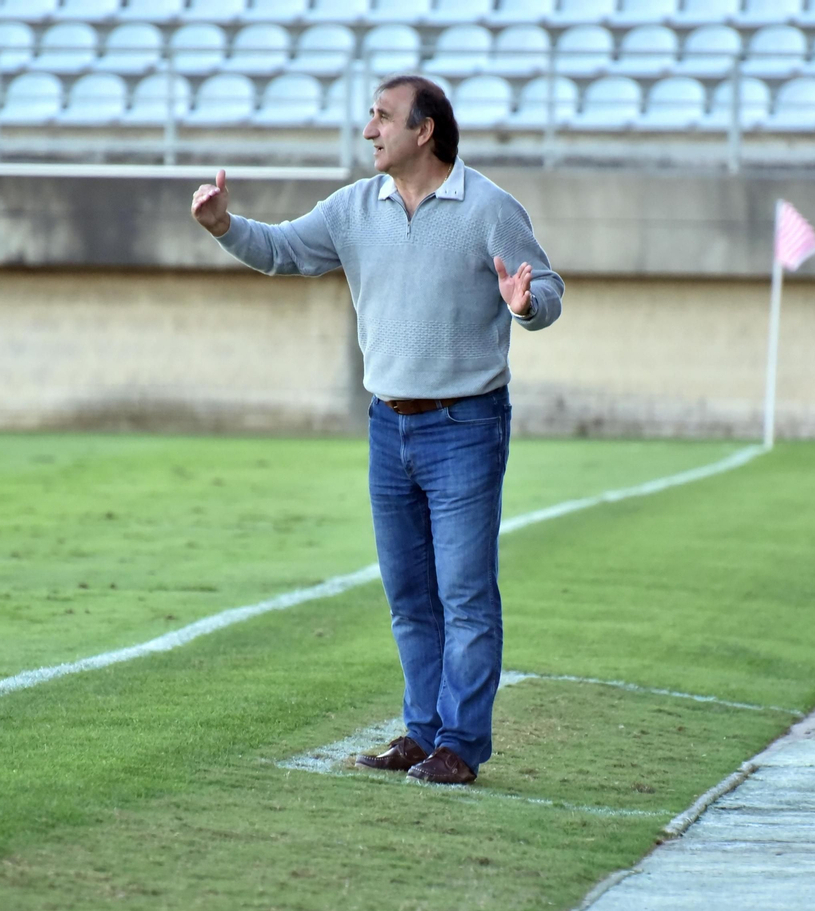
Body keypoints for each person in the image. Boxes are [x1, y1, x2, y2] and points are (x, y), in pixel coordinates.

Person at [191, 74, 563, 785]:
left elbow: (545, 289)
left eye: (383, 117)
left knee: (465, 597)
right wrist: (223, 228)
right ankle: (422, 735)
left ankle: (460, 745)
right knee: (410, 597)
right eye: (371, 116)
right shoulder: (354, 208)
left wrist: (525, 305)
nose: (369, 130)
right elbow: (280, 251)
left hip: (466, 426)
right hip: (387, 429)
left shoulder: (488, 207)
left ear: (424, 131)